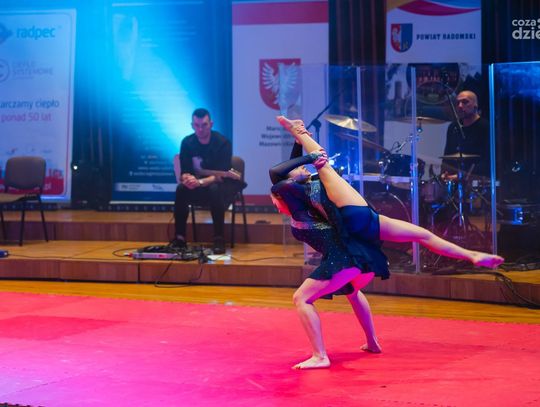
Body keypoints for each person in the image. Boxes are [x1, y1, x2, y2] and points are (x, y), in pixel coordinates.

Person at [274, 115, 504, 370]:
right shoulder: (295, 191)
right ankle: (372, 341)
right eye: (298, 170)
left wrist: (301, 144)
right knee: (413, 241)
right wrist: (305, 151)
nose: (303, 169)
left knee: (305, 297)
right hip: (360, 225)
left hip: (353, 224)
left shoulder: (308, 189)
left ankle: (321, 356)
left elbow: (287, 170)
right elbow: (278, 174)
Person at [171, 108, 244, 254]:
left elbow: (222, 174)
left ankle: (219, 239)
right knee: (181, 189)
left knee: (214, 189)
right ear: (192, 125)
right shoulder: (187, 142)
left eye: (204, 125)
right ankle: (180, 238)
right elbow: (185, 170)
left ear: (211, 124)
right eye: (197, 125)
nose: (200, 129)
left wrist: (200, 182)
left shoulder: (223, 143)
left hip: (222, 185)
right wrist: (187, 178)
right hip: (198, 185)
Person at [441, 90, 490, 181]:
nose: (460, 106)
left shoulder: (486, 127)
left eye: (465, 102)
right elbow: (447, 157)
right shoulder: (453, 127)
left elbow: (488, 161)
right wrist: (444, 173)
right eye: (457, 103)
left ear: (475, 105)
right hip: (454, 180)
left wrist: (462, 176)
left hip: (478, 180)